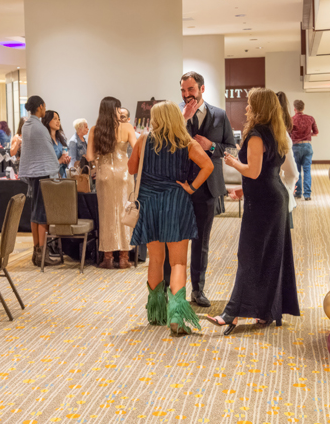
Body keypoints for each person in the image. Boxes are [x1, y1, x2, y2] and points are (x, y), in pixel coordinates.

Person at [207, 88, 300, 334]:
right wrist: (243, 190)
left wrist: (233, 162)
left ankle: (232, 313)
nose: (247, 108)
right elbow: (268, 171)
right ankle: (265, 311)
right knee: (269, 256)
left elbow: (254, 172)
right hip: (272, 197)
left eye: (250, 104)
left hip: (264, 203)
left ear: (259, 108)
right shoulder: (276, 131)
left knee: (248, 256)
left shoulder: (257, 134)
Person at [129, 101, 214, 335]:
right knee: (178, 263)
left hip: (149, 202)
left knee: (156, 260)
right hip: (177, 201)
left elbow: (132, 168)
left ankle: (156, 313)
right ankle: (176, 315)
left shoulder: (143, 140)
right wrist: (192, 187)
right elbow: (207, 166)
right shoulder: (186, 142)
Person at [164, 71, 236, 308]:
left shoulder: (219, 115)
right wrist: (183, 119)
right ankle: (170, 289)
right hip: (178, 187)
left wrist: (211, 146)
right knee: (174, 240)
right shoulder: (174, 114)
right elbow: (163, 145)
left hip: (207, 187)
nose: (186, 95)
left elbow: (230, 148)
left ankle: (198, 289)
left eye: (191, 89)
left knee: (201, 242)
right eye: (183, 90)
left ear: (202, 89)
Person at [86, 96, 138, 269]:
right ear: (114, 110)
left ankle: (107, 257)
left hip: (105, 175)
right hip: (124, 174)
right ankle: (124, 257)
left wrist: (99, 157)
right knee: (125, 213)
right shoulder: (127, 127)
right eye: (117, 108)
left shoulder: (95, 130)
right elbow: (137, 149)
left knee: (106, 214)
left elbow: (90, 156)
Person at [18, 96, 60, 266]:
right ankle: (43, 254)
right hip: (43, 174)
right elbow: (48, 153)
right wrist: (55, 167)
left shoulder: (26, 125)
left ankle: (36, 251)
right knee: (42, 215)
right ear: (41, 106)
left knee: (35, 214)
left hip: (33, 174)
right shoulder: (39, 128)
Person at [276, 92, 300, 227]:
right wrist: (290, 187)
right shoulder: (280, 134)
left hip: (277, 191)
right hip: (279, 189)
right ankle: (305, 193)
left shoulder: (278, 134)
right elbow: (292, 172)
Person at [290, 99, 318, 201]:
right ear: (303, 108)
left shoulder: (291, 120)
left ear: (294, 109)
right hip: (307, 146)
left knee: (297, 171)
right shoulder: (310, 118)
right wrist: (307, 135)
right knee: (307, 170)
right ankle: (307, 194)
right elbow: (316, 133)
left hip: (295, 147)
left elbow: (288, 134)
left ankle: (298, 193)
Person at [43, 110, 70, 178]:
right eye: (55, 119)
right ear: (47, 121)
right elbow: (44, 165)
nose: (58, 121)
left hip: (62, 176)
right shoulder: (45, 141)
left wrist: (66, 161)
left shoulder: (61, 140)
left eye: (59, 119)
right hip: (51, 178)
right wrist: (60, 161)